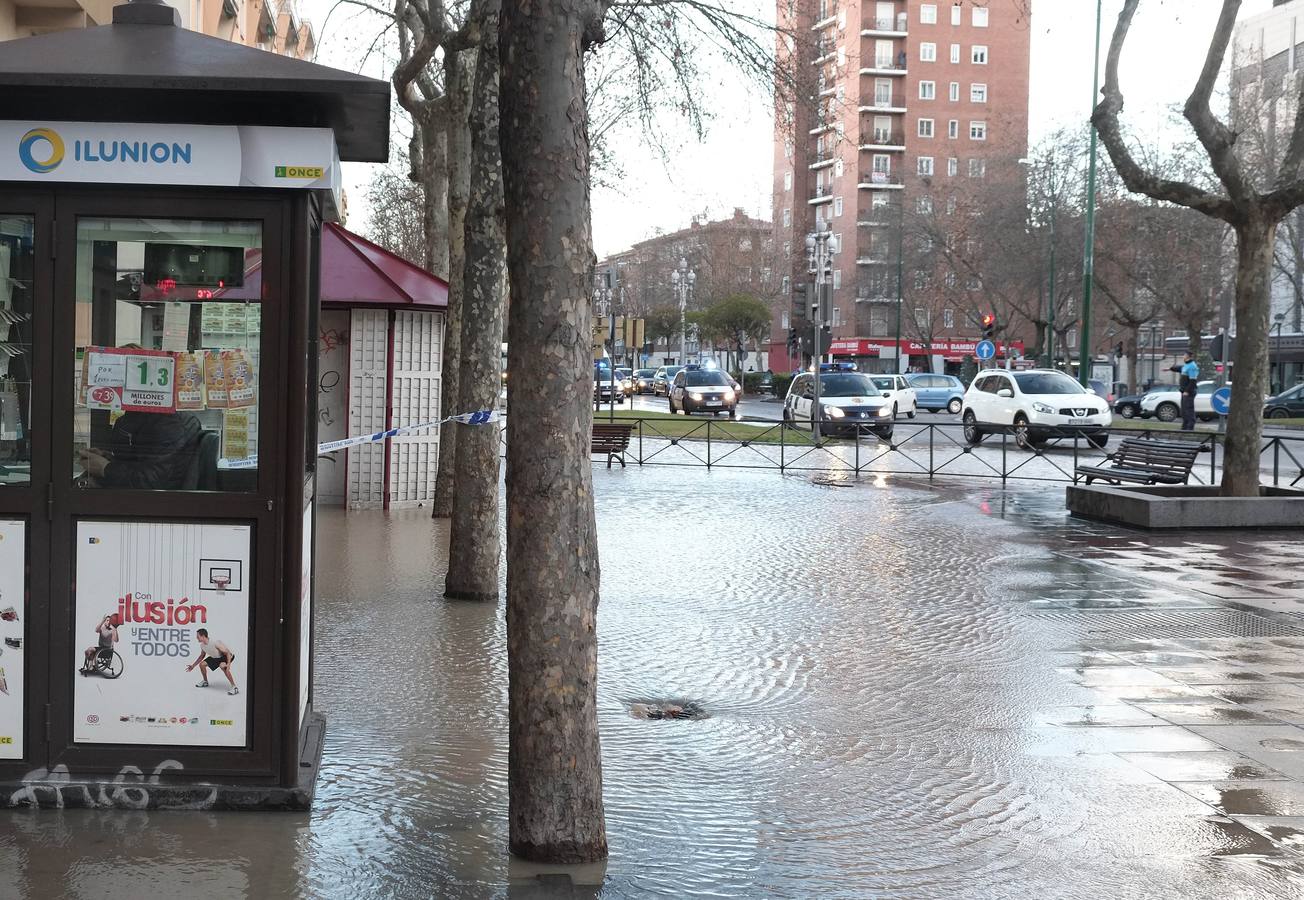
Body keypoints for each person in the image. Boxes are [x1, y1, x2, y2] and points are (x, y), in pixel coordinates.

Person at [79, 410, 201, 489]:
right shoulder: (144, 419)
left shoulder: (168, 425)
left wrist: (106, 468)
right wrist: (107, 459)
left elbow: (151, 481)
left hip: (158, 505)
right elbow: (140, 464)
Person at [186, 628, 238, 695]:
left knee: (223, 666)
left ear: (203, 636)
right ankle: (205, 682)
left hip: (226, 656)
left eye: (198, 636)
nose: (197, 638)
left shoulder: (215, 643)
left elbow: (227, 653)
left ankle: (234, 687)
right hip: (215, 657)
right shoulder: (202, 645)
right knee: (202, 665)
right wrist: (193, 666)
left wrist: (228, 665)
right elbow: (201, 656)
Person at [1169, 351, 1200, 431]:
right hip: (1184, 392)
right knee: (1184, 410)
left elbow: (1193, 381)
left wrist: (1187, 391)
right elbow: (1179, 368)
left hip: (1188, 392)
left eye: (1184, 355)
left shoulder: (1192, 366)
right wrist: (1170, 369)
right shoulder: (1186, 365)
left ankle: (1190, 428)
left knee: (1189, 409)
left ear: (1187, 356)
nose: (1183, 356)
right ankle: (1184, 427)